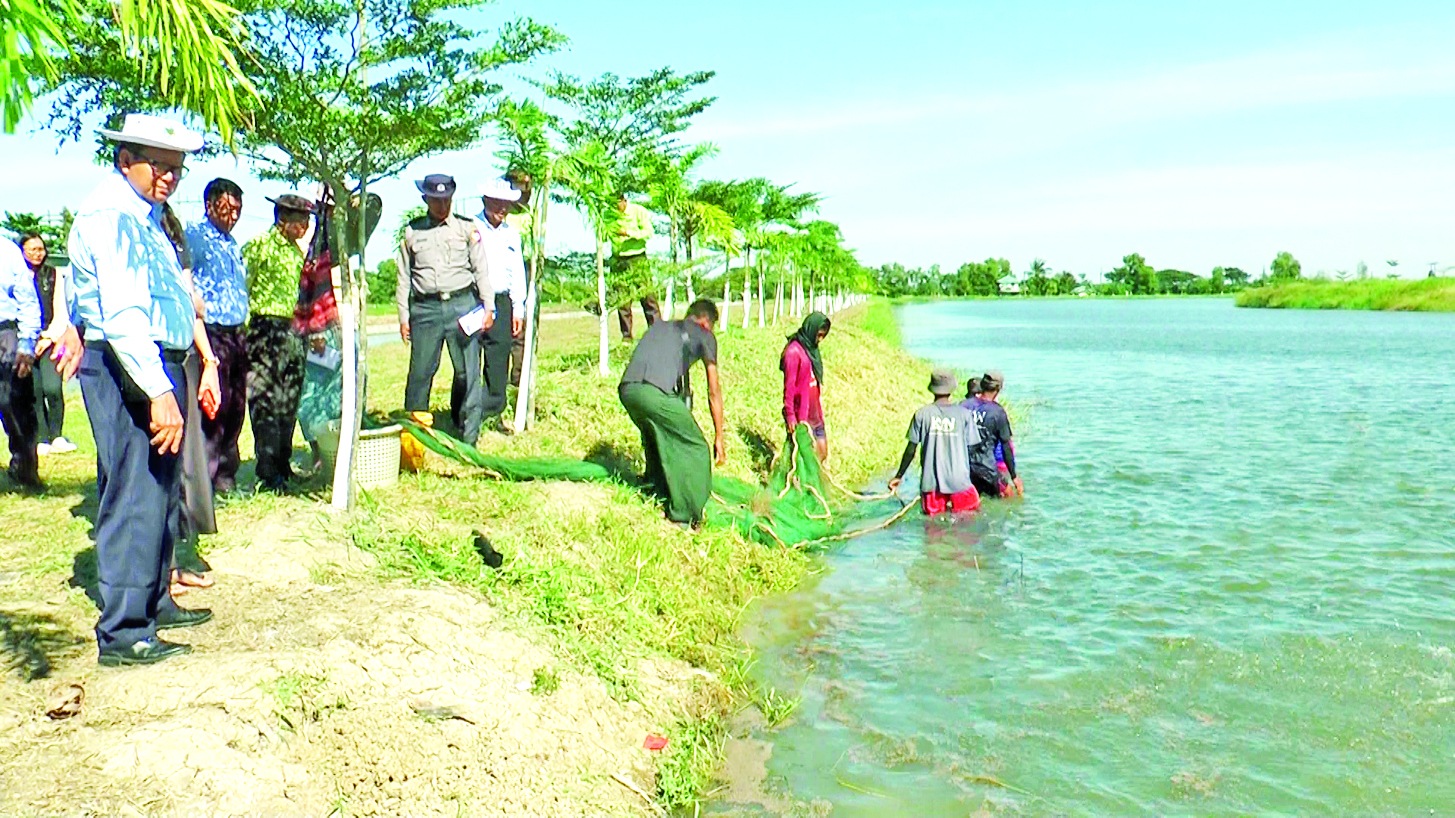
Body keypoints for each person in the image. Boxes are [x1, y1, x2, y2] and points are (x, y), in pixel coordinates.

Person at [69, 113, 212, 665]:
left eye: (177, 168)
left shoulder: (143, 215)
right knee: (134, 493)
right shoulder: (112, 216)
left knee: (159, 491)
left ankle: (154, 602)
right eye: (159, 165)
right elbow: (125, 314)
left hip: (154, 360)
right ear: (125, 160)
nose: (169, 176)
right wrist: (157, 389)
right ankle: (125, 631)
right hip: (131, 363)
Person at [395, 174, 492, 444]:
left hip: (463, 305)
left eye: (446, 199)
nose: (442, 205)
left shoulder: (467, 228)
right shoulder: (412, 232)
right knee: (420, 373)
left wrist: (488, 306)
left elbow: (481, 270)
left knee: (468, 372)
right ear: (425, 199)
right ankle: (415, 438)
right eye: (436, 200)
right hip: (425, 309)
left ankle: (469, 437)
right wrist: (403, 317)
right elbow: (403, 278)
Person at [618, 299, 726, 527]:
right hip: (652, 392)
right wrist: (719, 437)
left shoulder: (660, 327)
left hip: (627, 390)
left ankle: (656, 487)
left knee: (656, 433)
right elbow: (714, 391)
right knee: (696, 446)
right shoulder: (705, 335)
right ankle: (684, 515)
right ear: (706, 322)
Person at [243, 193, 312, 490]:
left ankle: (283, 463)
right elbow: (243, 287)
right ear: (282, 220)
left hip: (293, 330)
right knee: (266, 401)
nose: (305, 227)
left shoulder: (297, 252)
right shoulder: (259, 246)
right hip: (265, 327)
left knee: (289, 400)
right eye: (300, 221)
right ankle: (268, 471)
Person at [185, 177, 249, 493]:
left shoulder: (232, 243)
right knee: (214, 407)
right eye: (227, 209)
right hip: (211, 333)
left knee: (237, 404)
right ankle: (206, 478)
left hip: (237, 332)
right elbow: (185, 281)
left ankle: (226, 473)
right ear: (209, 206)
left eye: (238, 210)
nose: (232, 216)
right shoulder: (194, 237)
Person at [888, 369, 982, 516]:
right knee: (968, 523)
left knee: (933, 526)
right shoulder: (964, 414)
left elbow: (911, 450)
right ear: (952, 389)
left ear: (932, 389)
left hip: (931, 483)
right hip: (960, 482)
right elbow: (973, 449)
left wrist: (899, 476)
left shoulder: (921, 414)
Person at [473, 178, 526, 428]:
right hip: (473, 301)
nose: (502, 209)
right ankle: (465, 414)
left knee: (498, 358)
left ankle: (492, 412)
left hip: (502, 301)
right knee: (468, 361)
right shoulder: (471, 228)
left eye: (506, 204)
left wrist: (518, 308)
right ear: (485, 201)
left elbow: (517, 271)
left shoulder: (511, 234)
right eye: (497, 203)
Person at [295, 193, 342, 469]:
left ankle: (338, 448)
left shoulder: (349, 237)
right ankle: (318, 450)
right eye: (327, 208)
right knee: (312, 391)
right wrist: (315, 330)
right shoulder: (308, 241)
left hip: (344, 323)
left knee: (341, 389)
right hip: (317, 327)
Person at [20, 234, 75, 455]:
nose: (37, 254)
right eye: (31, 250)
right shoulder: (17, 275)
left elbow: (61, 309)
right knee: (34, 390)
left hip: (51, 339)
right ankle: (41, 437)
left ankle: (57, 435)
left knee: (52, 388)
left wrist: (49, 337)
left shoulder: (53, 274)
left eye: (40, 249)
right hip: (25, 341)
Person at [0, 236, 42, 490]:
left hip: (5, 334)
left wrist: (26, 345)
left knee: (14, 404)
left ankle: (25, 469)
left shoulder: (7, 250)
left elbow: (27, 299)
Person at [964, 371, 1023, 499]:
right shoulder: (998, 412)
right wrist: (1014, 476)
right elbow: (1006, 446)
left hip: (964, 468)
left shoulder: (964, 405)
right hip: (987, 470)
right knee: (1009, 499)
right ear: (998, 389)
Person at [781, 311, 831, 461]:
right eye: (818, 335)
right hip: (801, 417)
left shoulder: (811, 349)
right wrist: (791, 416)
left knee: (821, 455)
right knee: (804, 461)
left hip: (815, 413)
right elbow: (789, 388)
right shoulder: (793, 352)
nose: (820, 340)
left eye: (823, 336)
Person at [610, 194, 658, 341]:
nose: (615, 208)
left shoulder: (638, 211)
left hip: (637, 258)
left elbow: (648, 232)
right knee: (622, 300)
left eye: (617, 204)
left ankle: (657, 331)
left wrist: (629, 233)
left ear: (624, 201)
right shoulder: (608, 214)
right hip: (618, 260)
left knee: (647, 296)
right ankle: (626, 336)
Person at [503, 169, 534, 387]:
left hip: (527, 267)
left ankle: (518, 377)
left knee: (523, 324)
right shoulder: (502, 214)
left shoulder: (531, 213)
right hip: (506, 270)